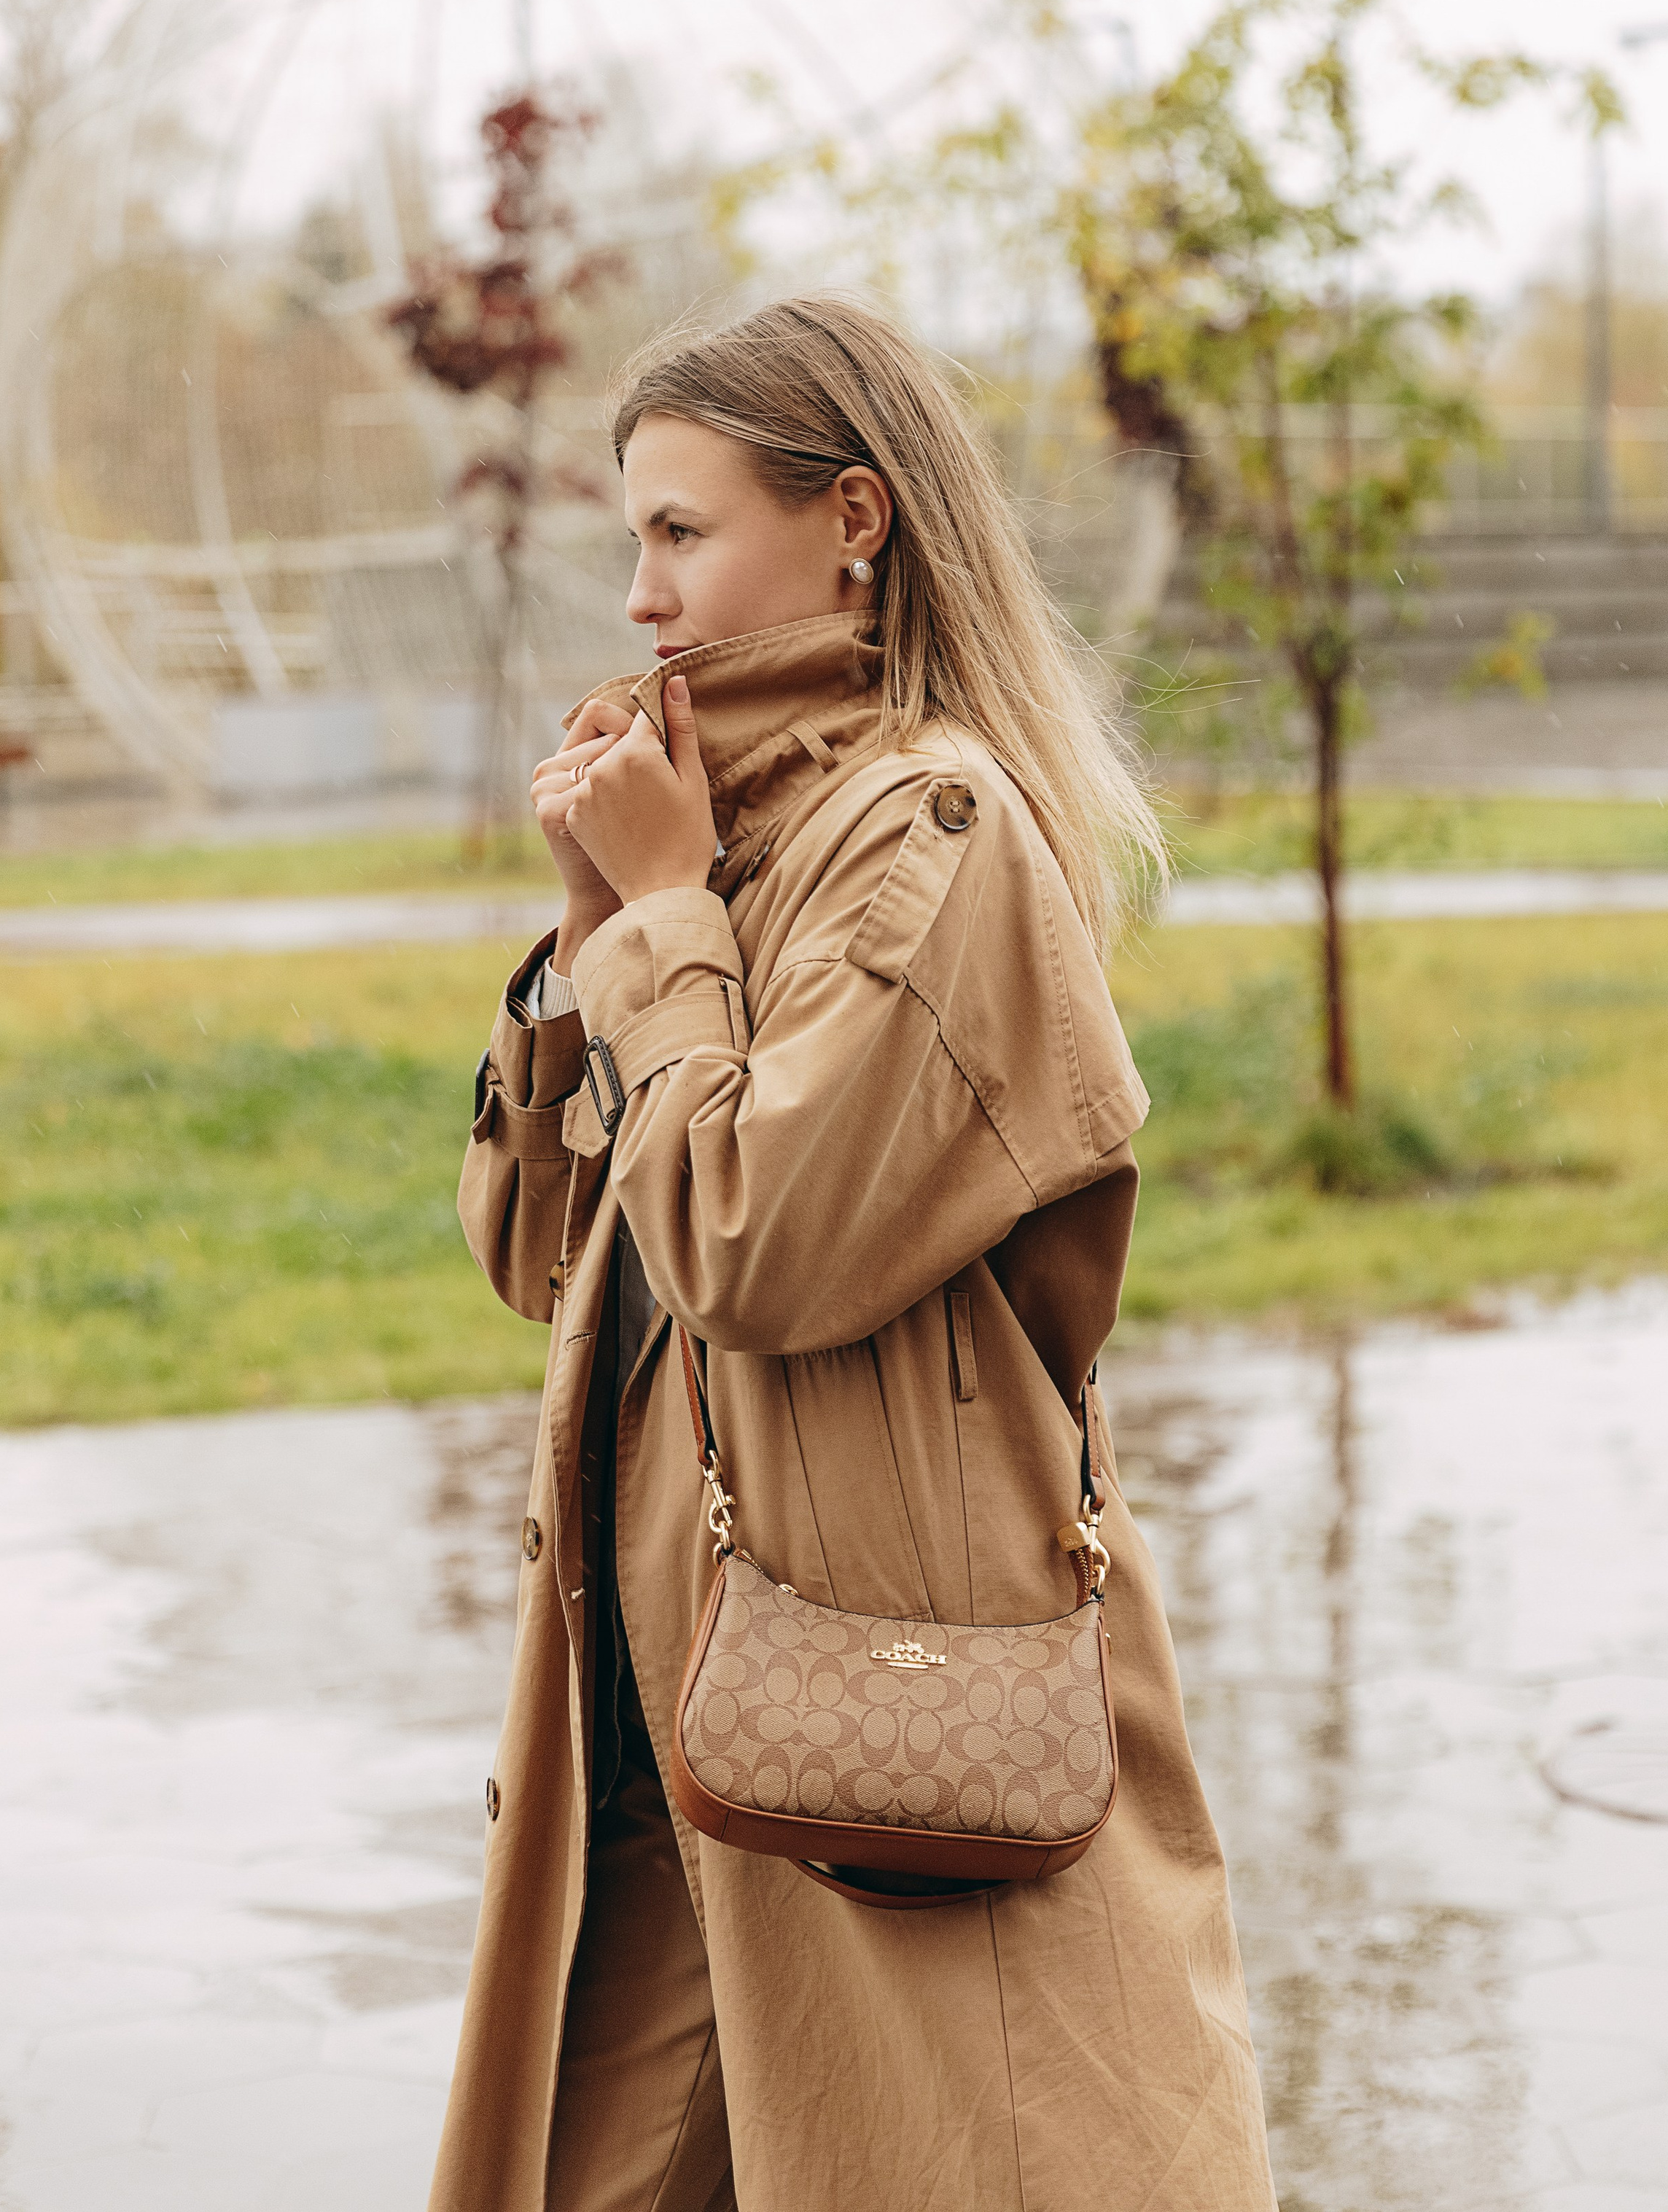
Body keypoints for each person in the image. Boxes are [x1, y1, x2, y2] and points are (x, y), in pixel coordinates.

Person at [428, 297, 1277, 2212]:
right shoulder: (723, 832)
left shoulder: (933, 835)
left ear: (857, 520)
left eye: (679, 530)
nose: (640, 594)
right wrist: (589, 945)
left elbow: (759, 1240)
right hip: (668, 1716)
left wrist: (659, 923)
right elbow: (551, 1249)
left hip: (871, 1726)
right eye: (629, 537)